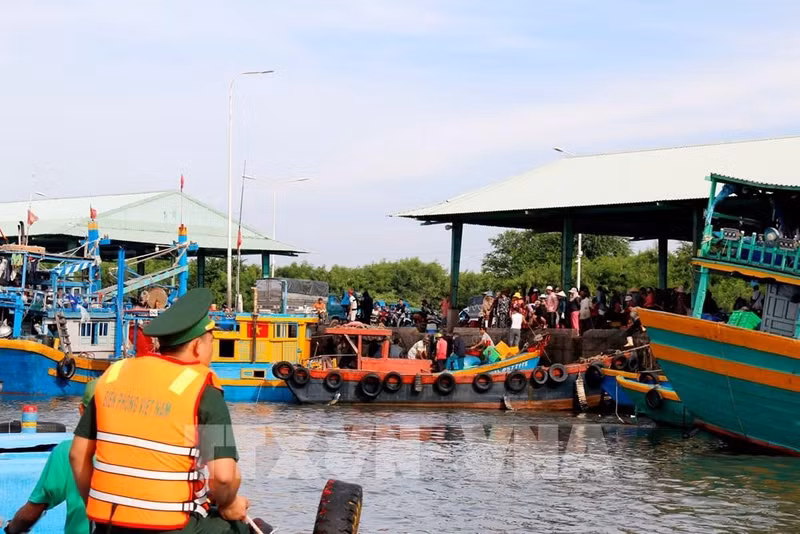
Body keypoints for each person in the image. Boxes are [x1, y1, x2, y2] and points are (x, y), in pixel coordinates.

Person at [69, 288, 255, 534]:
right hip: (171, 527)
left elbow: (77, 455)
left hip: (110, 524)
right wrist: (230, 504)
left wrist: (98, 512)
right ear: (198, 346)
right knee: (239, 529)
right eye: (212, 342)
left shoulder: (114, 375)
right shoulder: (204, 391)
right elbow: (223, 477)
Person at [5, 382, 97, 534]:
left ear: (81, 410)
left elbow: (31, 514)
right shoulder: (141, 452)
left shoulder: (67, 451)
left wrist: (10, 529)